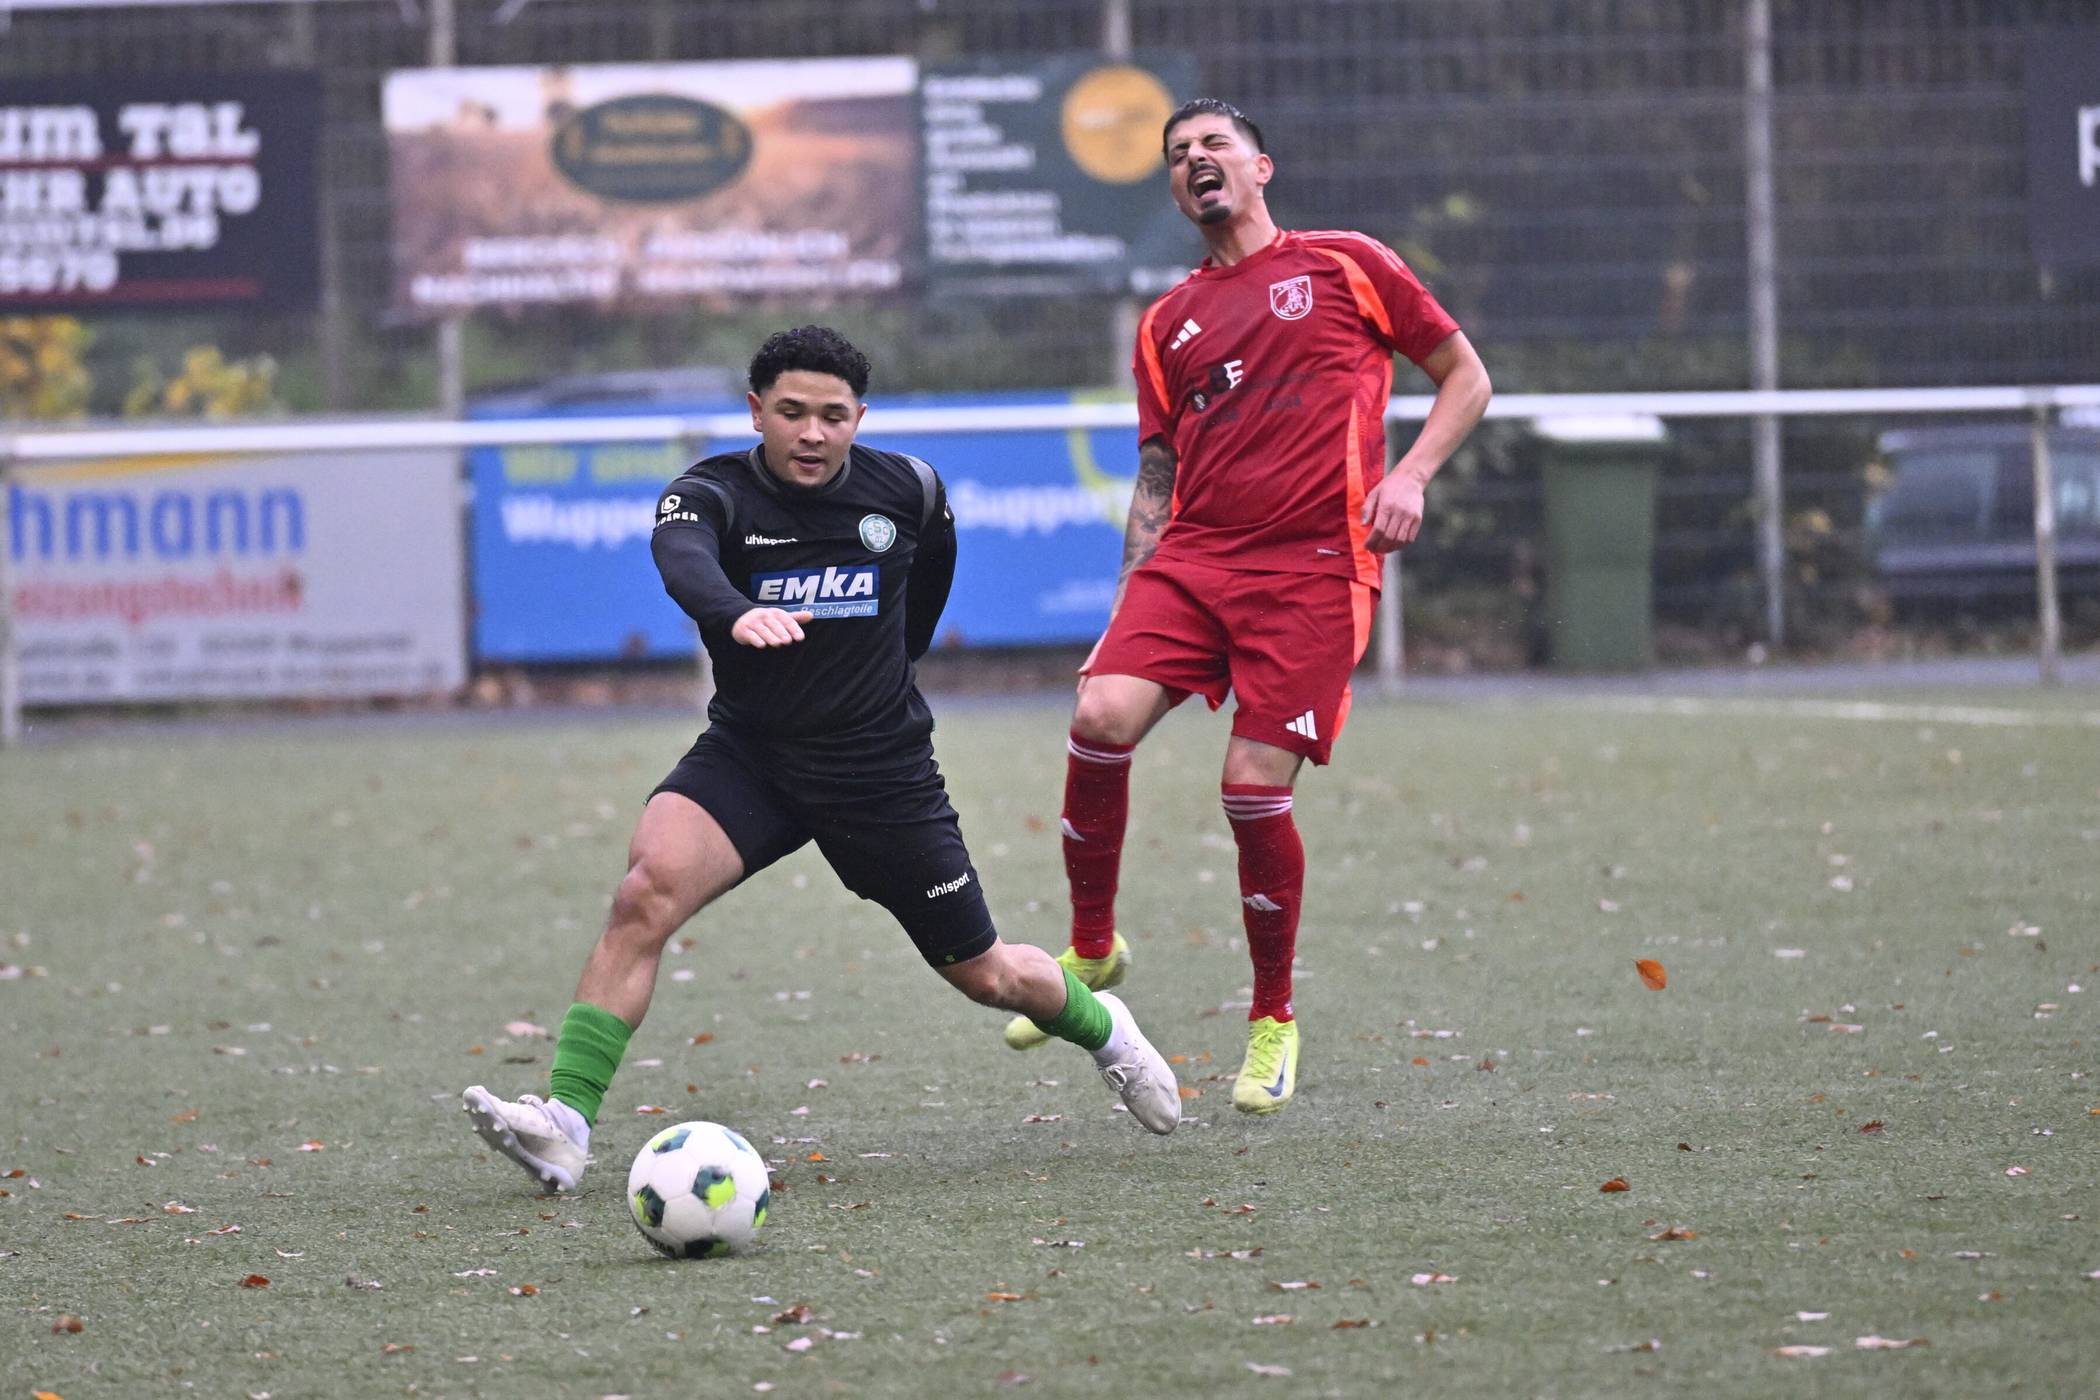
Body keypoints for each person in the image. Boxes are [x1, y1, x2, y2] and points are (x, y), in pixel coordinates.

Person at [465, 326, 1180, 1192]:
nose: (811, 433)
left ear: (858, 418)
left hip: (880, 773)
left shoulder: (908, 491)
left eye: (832, 417)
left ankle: (1105, 1028)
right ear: (756, 410)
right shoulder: (709, 494)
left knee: (988, 975)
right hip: (753, 759)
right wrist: (733, 611)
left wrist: (878, 681)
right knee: (643, 893)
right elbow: (681, 559)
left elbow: (923, 598)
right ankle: (565, 1126)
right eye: (792, 412)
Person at [999, 100, 1492, 1117]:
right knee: (1097, 717)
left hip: (1314, 565)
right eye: (1178, 155)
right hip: (1195, 558)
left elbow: (1465, 376)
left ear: (1260, 165)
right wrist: (1131, 595)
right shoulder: (1166, 321)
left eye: (1212, 144)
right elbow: (1157, 469)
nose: (1194, 160)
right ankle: (1093, 944)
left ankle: (1273, 1016)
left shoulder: (1346, 264)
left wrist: (1412, 476)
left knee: (1249, 788)